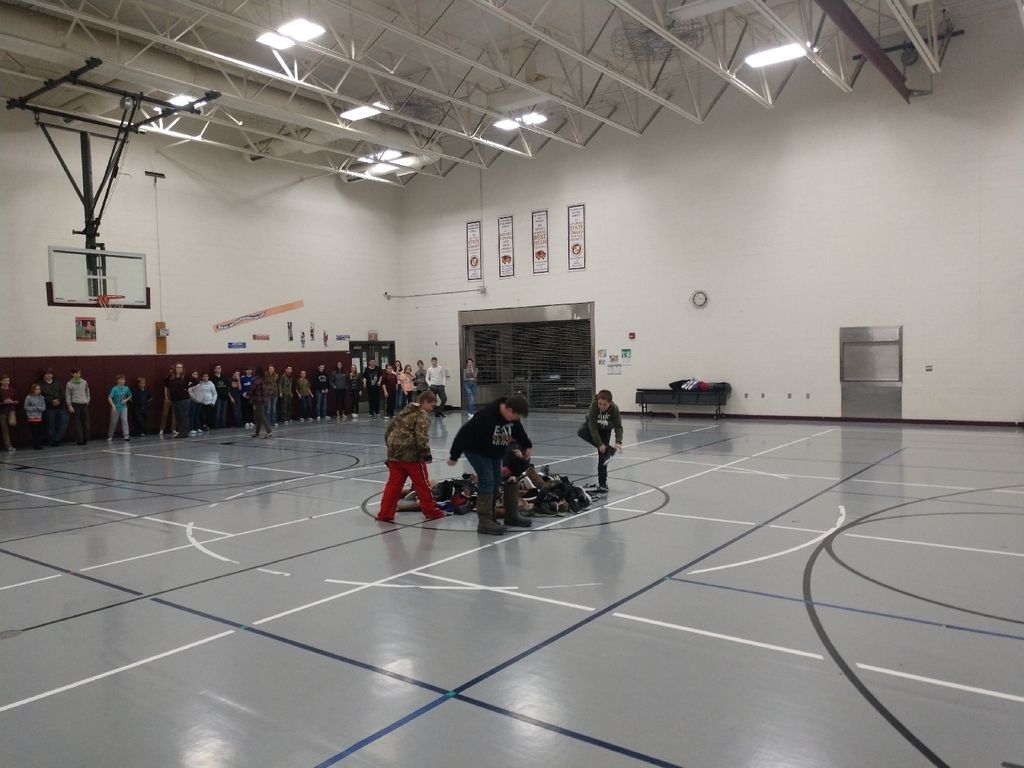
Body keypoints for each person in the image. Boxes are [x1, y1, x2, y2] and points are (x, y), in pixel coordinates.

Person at [447, 394, 532, 534]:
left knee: (497, 480)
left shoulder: (512, 419)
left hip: (494, 453)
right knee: (487, 480)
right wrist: (454, 456)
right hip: (476, 451)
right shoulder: (485, 417)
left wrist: (527, 445)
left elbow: (518, 430)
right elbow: (463, 434)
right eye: (517, 416)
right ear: (509, 410)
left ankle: (505, 516)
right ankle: (484, 522)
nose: (517, 420)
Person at [376, 390, 446, 523]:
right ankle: (431, 511)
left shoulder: (403, 412)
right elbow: (421, 437)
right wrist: (426, 454)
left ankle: (385, 513)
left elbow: (389, 431)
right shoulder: (421, 415)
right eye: (431, 405)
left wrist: (391, 451)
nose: (432, 409)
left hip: (394, 454)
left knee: (394, 484)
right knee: (422, 483)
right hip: (411, 455)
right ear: (425, 402)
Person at [578, 389, 624, 495]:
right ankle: (608, 450)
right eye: (600, 404)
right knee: (581, 431)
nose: (601, 407)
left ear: (610, 403)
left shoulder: (614, 409)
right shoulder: (594, 407)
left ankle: (603, 484)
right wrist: (600, 444)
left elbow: (618, 426)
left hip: (606, 430)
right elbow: (592, 427)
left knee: (602, 456)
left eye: (605, 405)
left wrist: (618, 441)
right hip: (592, 426)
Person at [40, 368, 69, 446]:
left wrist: (59, 400)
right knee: (50, 425)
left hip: (60, 406)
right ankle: (52, 442)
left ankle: (56, 438)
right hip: (49, 408)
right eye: (48, 374)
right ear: (44, 375)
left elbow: (63, 393)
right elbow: (41, 396)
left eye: (51, 374)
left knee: (65, 420)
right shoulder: (41, 385)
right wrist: (51, 401)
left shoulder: (57, 383)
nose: (50, 376)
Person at [66, 368, 91, 445]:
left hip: (83, 403)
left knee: (86, 422)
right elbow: (68, 396)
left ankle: (86, 438)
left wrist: (88, 399)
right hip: (75, 404)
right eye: (76, 373)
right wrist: (70, 406)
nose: (78, 375)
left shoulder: (84, 382)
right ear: (72, 374)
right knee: (77, 423)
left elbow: (87, 391)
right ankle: (79, 440)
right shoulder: (69, 384)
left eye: (79, 373)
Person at [166, 363, 191, 439]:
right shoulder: (171, 377)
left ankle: (184, 432)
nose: (179, 369)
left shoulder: (185, 377)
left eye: (181, 367)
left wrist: (187, 387)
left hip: (184, 399)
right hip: (174, 399)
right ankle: (180, 431)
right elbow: (164, 382)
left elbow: (195, 381)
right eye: (178, 367)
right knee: (177, 416)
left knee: (183, 415)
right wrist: (171, 389)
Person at [106, 374, 132, 442]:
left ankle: (126, 435)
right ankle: (110, 435)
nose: (122, 381)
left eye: (123, 379)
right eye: (120, 379)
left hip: (124, 407)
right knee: (113, 422)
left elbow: (130, 395)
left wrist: (125, 400)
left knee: (125, 421)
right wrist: (113, 405)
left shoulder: (126, 388)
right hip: (116, 408)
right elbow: (109, 397)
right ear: (117, 381)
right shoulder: (115, 389)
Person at [249, 366, 273, 438]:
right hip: (263, 400)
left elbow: (252, 389)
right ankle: (257, 433)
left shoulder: (256, 380)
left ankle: (269, 431)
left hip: (258, 400)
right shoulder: (263, 379)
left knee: (261, 416)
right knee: (258, 416)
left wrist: (247, 395)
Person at [24, 384, 46, 450]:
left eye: (39, 389)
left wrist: (41, 408)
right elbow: (26, 407)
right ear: (33, 390)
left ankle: (38, 443)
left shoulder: (41, 397)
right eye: (36, 389)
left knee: (39, 431)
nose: (38, 391)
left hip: (39, 417)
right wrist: (36, 408)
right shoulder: (28, 398)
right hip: (32, 417)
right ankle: (36, 444)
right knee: (34, 431)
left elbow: (44, 407)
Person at [158, 366, 177, 436]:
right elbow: (166, 387)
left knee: (174, 414)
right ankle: (162, 429)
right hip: (168, 397)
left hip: (175, 398)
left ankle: (173, 429)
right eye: (171, 369)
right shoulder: (168, 378)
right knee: (165, 414)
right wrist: (166, 396)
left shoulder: (178, 378)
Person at [1, 374, 17, 452]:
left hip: (11, 409)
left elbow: (17, 401)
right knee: (5, 430)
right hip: (2, 411)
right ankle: (9, 446)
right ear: (1, 381)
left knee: (12, 422)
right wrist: (4, 402)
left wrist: (11, 401)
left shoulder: (12, 390)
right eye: (4, 381)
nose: (6, 382)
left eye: (8, 380)